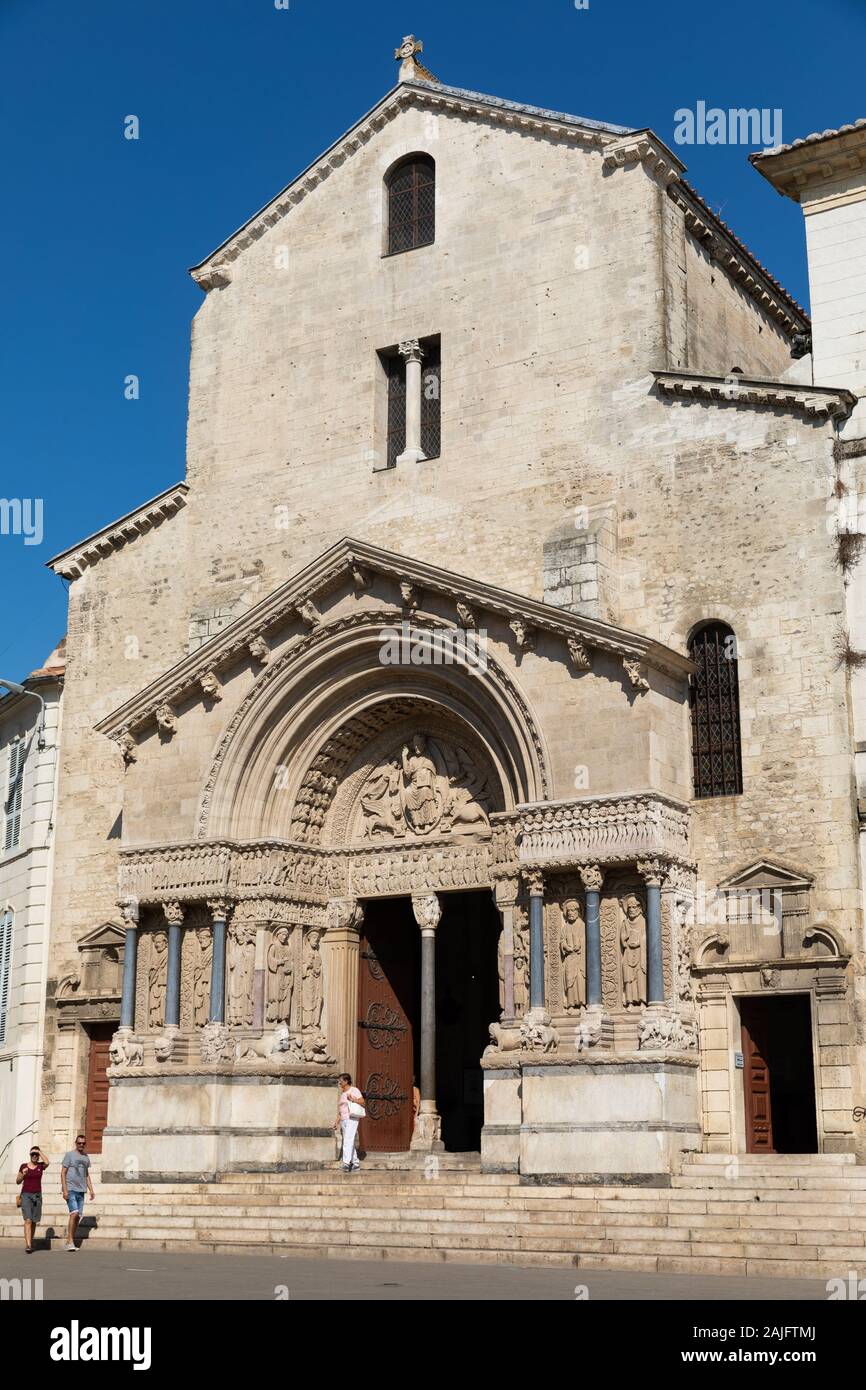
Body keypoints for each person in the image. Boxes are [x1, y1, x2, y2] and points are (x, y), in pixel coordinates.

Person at [61, 1134, 95, 1251]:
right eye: (79, 1143)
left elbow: (86, 1175)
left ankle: (70, 1240)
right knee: (74, 1213)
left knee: (78, 1216)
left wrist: (91, 1189)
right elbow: (63, 1173)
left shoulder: (86, 1157)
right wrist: (64, 1189)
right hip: (70, 1189)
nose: (81, 1145)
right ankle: (70, 1241)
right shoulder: (69, 1155)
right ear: (76, 1143)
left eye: (83, 1143)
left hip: (81, 1190)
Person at [16, 1145, 49, 1253]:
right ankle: (28, 1245)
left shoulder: (40, 1166)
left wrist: (39, 1151)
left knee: (34, 1221)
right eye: (32, 1154)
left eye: (36, 1154)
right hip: (26, 1195)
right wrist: (23, 1175)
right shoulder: (24, 1166)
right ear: (30, 1155)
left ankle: (31, 1240)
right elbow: (18, 1181)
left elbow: (47, 1162)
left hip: (37, 1196)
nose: (34, 1156)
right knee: (28, 1220)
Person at [334, 1073, 365, 1174]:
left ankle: (346, 1163)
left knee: (348, 1140)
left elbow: (362, 1102)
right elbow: (340, 1110)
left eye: (341, 1080)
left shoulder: (354, 1090)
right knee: (349, 1141)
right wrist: (336, 1122)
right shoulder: (343, 1093)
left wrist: (353, 1099)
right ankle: (355, 1163)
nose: (339, 1082)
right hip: (344, 1120)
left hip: (351, 1119)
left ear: (346, 1081)